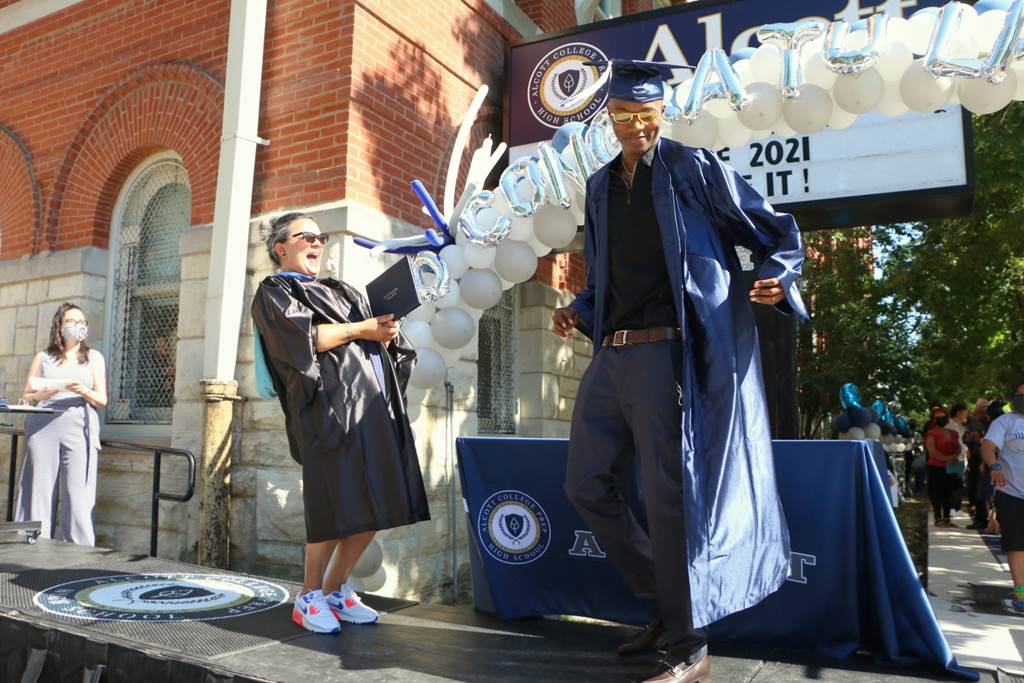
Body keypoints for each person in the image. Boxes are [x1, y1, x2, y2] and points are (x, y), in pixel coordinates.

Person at [552, 59, 808, 683]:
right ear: (607, 117)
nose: (634, 126)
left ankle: (691, 641)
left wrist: (781, 274)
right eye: (621, 116)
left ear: (662, 114)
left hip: (668, 352)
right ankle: (664, 607)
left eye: (645, 115)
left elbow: (772, 227)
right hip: (612, 354)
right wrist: (579, 309)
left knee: (671, 501)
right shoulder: (599, 186)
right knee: (586, 483)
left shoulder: (693, 167)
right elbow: (615, 271)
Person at [251, 212, 430, 634]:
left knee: (377, 504)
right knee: (335, 504)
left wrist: (384, 330)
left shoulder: (339, 288)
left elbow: (375, 333)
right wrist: (361, 329)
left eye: (322, 236)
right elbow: (305, 340)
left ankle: (334, 589)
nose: (317, 243)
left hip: (372, 407)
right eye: (306, 236)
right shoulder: (274, 290)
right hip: (327, 410)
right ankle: (308, 595)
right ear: (281, 247)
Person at [15, 302, 107, 545]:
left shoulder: (94, 357)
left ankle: (78, 556)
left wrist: (84, 390)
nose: (78, 326)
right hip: (43, 425)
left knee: (79, 497)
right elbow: (26, 396)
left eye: (82, 322)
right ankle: (31, 548)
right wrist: (38, 396)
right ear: (60, 325)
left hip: (78, 426)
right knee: (38, 493)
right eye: (72, 321)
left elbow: (103, 400)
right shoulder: (43, 357)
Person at [980, 382, 1024, 610]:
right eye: (1019, 394)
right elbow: (987, 446)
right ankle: (1021, 592)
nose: (1021, 398)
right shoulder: (1004, 422)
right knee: (1017, 545)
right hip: (1012, 492)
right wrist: (994, 466)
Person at [924, 407, 959, 527]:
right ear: (933, 419)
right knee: (937, 492)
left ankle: (947, 518)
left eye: (942, 417)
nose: (940, 419)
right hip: (936, 467)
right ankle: (938, 517)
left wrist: (953, 457)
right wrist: (947, 459)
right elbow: (932, 451)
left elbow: (958, 447)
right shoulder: (931, 433)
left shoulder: (954, 433)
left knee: (950, 492)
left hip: (951, 467)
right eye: (937, 417)